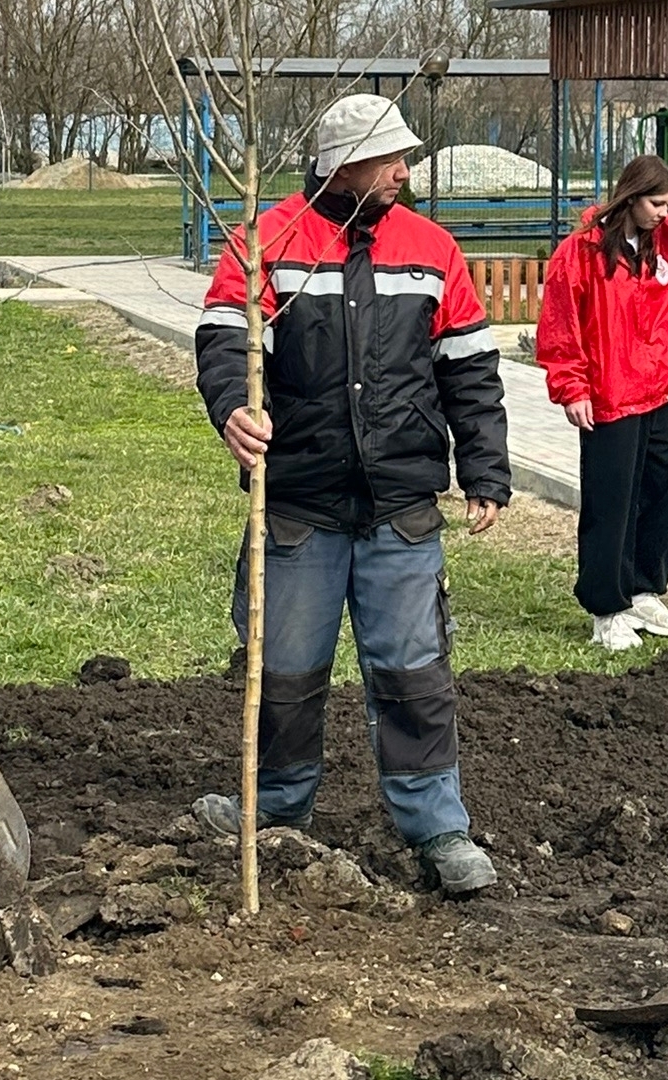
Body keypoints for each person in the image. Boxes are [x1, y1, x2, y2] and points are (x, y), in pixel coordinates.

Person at [191, 93, 511, 895]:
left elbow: (469, 370)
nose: (405, 170)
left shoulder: (433, 250)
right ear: (340, 165)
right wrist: (233, 407)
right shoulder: (269, 240)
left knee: (414, 674)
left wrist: (486, 471)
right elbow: (227, 338)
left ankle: (439, 828)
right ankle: (273, 811)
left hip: (400, 502)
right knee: (286, 671)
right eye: (390, 159)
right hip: (299, 499)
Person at [535, 153, 668, 650]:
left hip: (661, 392)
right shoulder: (580, 252)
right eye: (656, 203)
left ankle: (644, 587)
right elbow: (560, 325)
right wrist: (571, 386)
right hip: (609, 394)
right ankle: (607, 605)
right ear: (630, 197)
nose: (662, 213)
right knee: (611, 503)